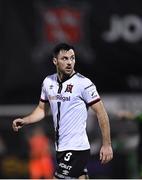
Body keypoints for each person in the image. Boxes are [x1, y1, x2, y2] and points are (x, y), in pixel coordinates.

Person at [12, 43, 113, 179]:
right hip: (61, 147)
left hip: (77, 148)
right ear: (55, 61)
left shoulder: (83, 83)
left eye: (72, 58)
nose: (70, 62)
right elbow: (42, 110)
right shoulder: (48, 82)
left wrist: (106, 145)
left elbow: (101, 113)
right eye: (65, 58)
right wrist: (25, 120)